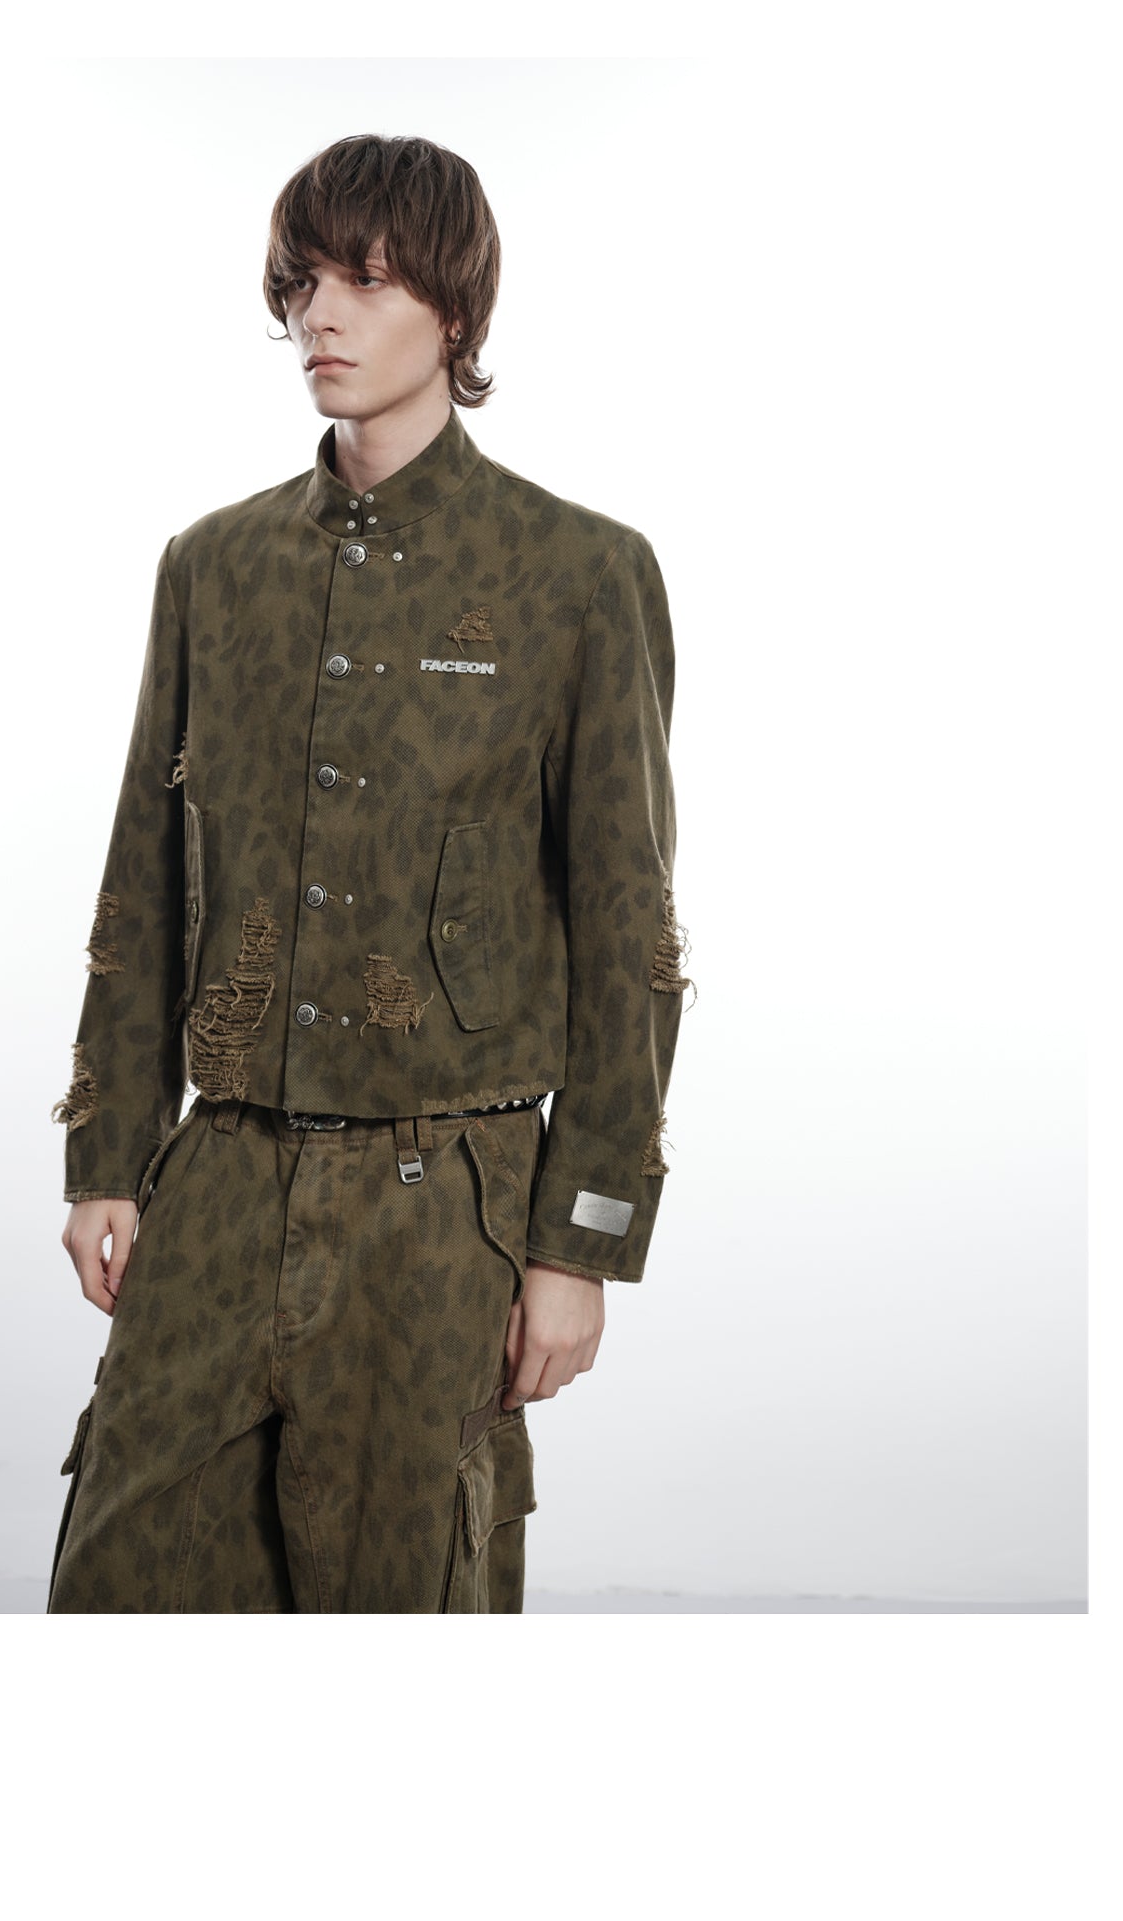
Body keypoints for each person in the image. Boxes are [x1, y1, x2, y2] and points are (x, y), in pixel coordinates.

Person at [45, 132, 688, 1614]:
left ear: (455, 311)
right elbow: (144, 874)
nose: (318, 316)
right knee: (122, 1578)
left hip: (442, 1203)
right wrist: (106, 1155)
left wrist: (579, 1244)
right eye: (303, 282)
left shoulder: (580, 574)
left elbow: (630, 932)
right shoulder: (214, 566)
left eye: (366, 282)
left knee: (403, 1593)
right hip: (222, 1173)